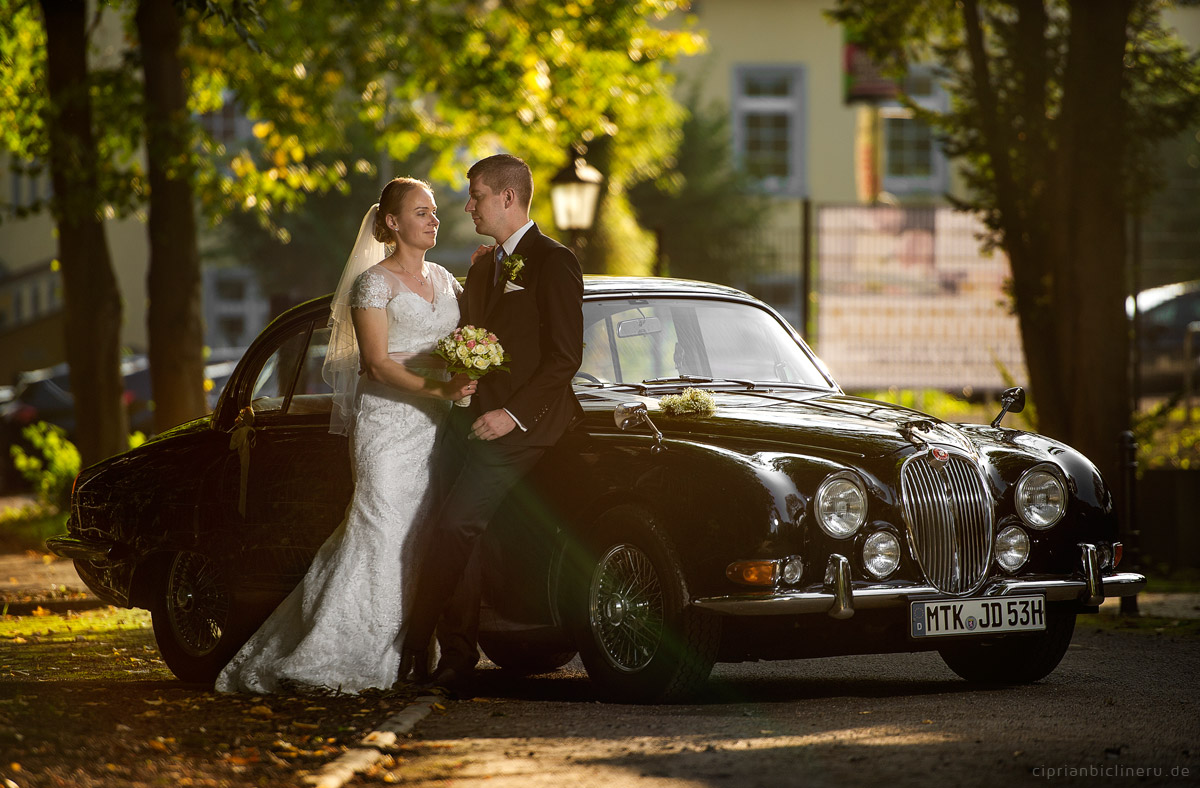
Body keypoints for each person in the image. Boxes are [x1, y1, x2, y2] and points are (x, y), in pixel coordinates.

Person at [215, 177, 476, 694]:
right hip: (387, 427)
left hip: (439, 430)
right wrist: (443, 390)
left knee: (427, 536)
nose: (433, 219)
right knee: (380, 531)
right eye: (421, 212)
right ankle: (339, 652)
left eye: (433, 212)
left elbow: (466, 341)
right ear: (394, 223)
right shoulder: (372, 285)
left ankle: (415, 647)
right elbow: (377, 366)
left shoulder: (447, 280)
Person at [398, 154, 584, 694]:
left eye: (476, 194)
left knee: (457, 526)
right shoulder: (483, 266)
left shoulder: (555, 262)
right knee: (448, 527)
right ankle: (455, 655)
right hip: (467, 419)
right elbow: (471, 336)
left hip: (526, 427)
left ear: (507, 197)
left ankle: (416, 642)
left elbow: (564, 358)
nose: (468, 205)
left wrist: (513, 415)